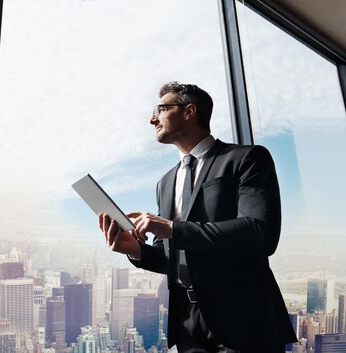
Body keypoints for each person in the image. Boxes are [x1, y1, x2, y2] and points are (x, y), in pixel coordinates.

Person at [99, 82, 297, 353]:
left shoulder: (246, 159)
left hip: (243, 318)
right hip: (187, 325)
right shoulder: (165, 182)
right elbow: (170, 255)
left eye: (161, 109)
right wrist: (136, 250)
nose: (152, 119)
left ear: (189, 111)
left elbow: (260, 233)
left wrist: (172, 228)